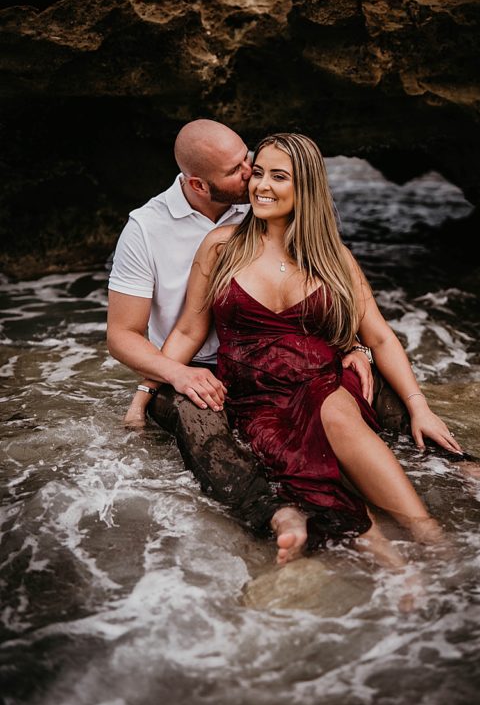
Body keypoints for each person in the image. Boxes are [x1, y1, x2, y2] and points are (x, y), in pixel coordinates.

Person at [131, 132, 461, 568]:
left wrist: (419, 407)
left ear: (305, 186)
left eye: (278, 177)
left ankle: (428, 534)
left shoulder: (333, 256)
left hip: (322, 380)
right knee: (305, 444)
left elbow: (379, 336)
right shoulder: (222, 245)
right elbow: (190, 330)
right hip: (256, 396)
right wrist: (144, 395)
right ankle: (390, 558)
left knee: (333, 406)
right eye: (258, 173)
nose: (261, 185)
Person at [106, 120, 371, 563]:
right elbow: (121, 335)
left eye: (249, 158)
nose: (253, 174)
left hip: (272, 357)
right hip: (187, 363)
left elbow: (319, 272)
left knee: (367, 388)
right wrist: (166, 379)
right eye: (238, 170)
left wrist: (352, 344)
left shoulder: (258, 206)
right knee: (202, 426)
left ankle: (459, 466)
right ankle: (275, 514)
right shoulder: (146, 229)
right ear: (197, 183)